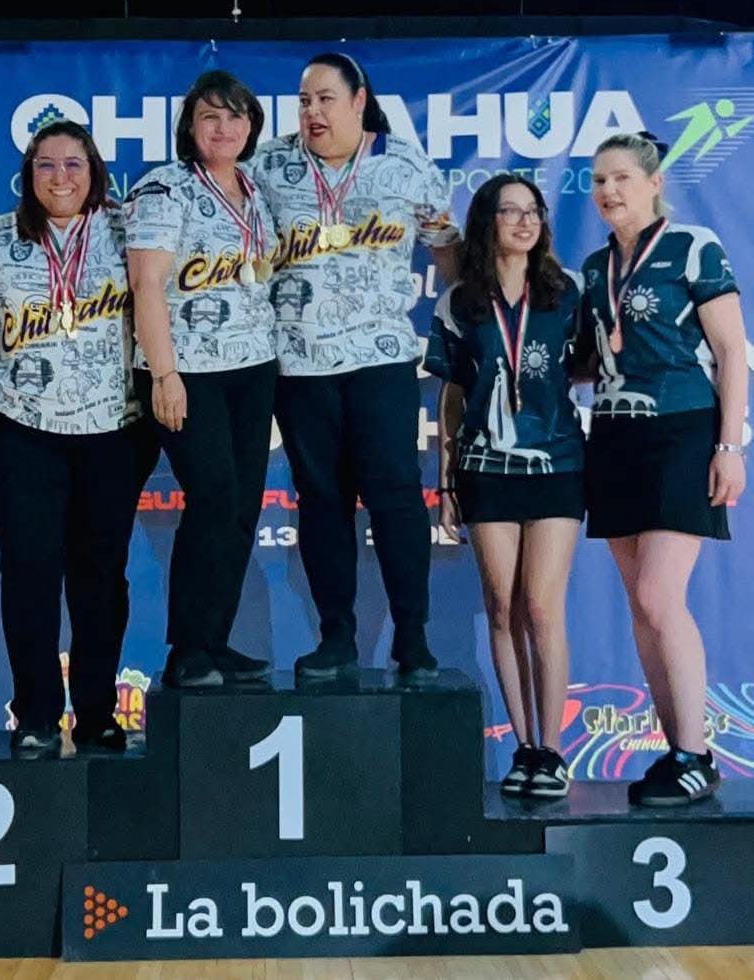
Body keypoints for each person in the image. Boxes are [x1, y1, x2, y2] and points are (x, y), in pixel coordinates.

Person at [252, 51, 458, 680]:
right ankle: (335, 637)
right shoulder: (270, 165)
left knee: (395, 495)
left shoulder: (406, 165)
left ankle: (413, 641)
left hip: (383, 361)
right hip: (299, 365)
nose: (312, 112)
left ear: (359, 100)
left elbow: (447, 252)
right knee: (321, 501)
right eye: (304, 101)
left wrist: (465, 324)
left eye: (325, 99)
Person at [0, 120, 157, 755]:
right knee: (29, 573)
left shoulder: (126, 230)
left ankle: (98, 713)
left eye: (73, 164)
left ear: (95, 171)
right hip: (20, 429)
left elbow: (157, 304)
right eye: (46, 165)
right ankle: (34, 714)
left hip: (113, 429)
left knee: (101, 577)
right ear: (28, 174)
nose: (60, 177)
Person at [579, 131, 747, 805]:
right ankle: (677, 751)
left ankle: (697, 753)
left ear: (654, 183)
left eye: (621, 177)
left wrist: (728, 447)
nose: (608, 191)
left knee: (658, 597)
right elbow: (589, 357)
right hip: (612, 435)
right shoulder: (594, 266)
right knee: (640, 607)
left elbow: (731, 352)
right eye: (598, 180)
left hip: (682, 429)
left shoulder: (692, 246)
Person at [425, 174, 584, 798]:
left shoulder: (567, 292)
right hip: (485, 469)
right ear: (486, 222)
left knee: (541, 606)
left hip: (558, 464)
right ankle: (525, 747)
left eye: (533, 211)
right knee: (502, 606)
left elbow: (590, 362)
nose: (524, 221)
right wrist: (446, 480)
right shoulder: (460, 303)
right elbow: (453, 394)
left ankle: (554, 748)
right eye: (510, 211)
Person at [125, 70, 278, 688]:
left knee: (241, 507)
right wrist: (165, 373)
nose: (224, 127)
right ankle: (187, 650)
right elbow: (146, 284)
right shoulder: (165, 188)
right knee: (213, 497)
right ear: (190, 125)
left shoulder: (255, 189)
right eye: (210, 116)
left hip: (252, 368)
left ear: (251, 126)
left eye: (236, 116)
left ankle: (215, 640)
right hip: (187, 370)